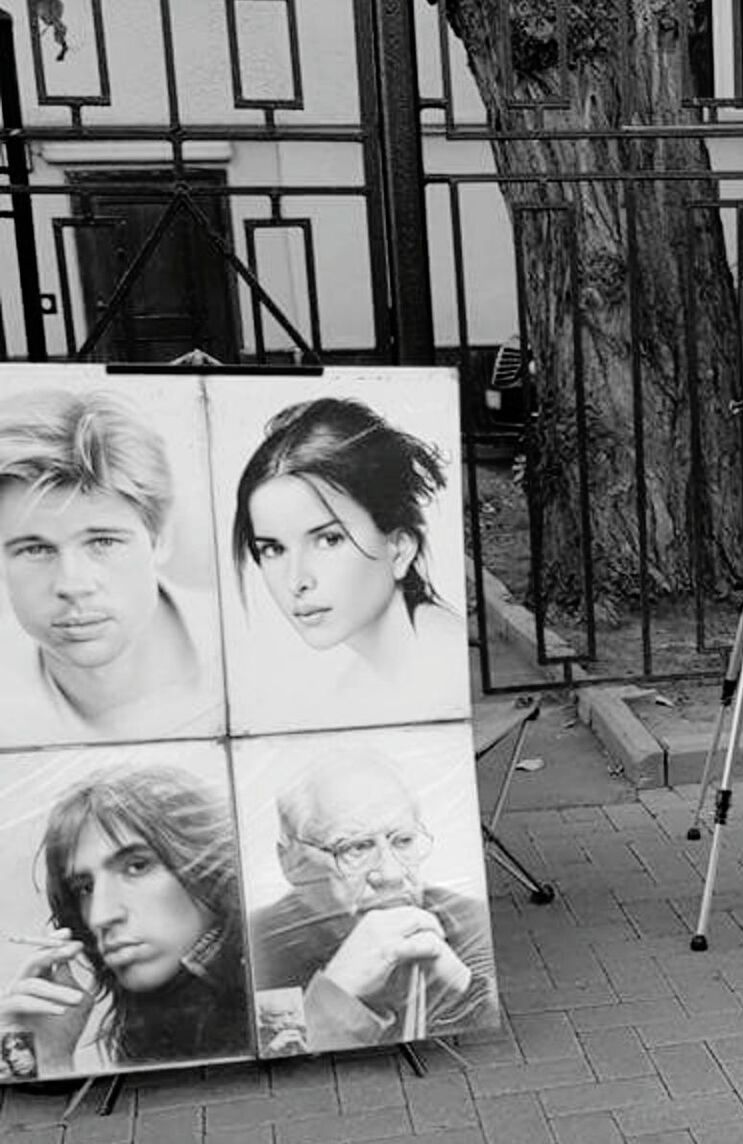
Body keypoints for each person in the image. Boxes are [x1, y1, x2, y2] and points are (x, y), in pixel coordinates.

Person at [0, 388, 222, 746]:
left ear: (160, 538)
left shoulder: (255, 651)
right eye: (36, 549)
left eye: (102, 542)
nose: (72, 584)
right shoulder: (9, 709)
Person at [230, 397, 469, 727]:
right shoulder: (362, 684)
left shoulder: (439, 668)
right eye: (273, 549)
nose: (297, 580)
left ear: (399, 549)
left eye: (328, 540)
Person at [0, 764, 252, 1074]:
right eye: (84, 888)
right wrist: (50, 1058)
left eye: (137, 866)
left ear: (208, 865)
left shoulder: (283, 980)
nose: (100, 916)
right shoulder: (150, 1029)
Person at [248, 748, 498, 1052]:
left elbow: (486, 1035)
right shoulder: (257, 945)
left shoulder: (466, 921)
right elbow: (279, 1050)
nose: (390, 874)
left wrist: (461, 985)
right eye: (356, 847)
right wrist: (336, 992)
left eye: (403, 841)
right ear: (290, 860)